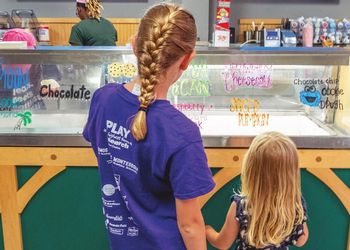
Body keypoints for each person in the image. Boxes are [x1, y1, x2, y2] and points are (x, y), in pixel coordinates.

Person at [83, 3, 215, 250]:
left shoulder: (103, 99)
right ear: (187, 60)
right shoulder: (182, 134)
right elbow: (190, 225)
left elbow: (107, 155)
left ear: (134, 46)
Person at [206, 132, 309, 250]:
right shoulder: (294, 205)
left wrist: (207, 230)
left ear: (251, 169)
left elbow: (223, 243)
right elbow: (301, 241)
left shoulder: (242, 205)